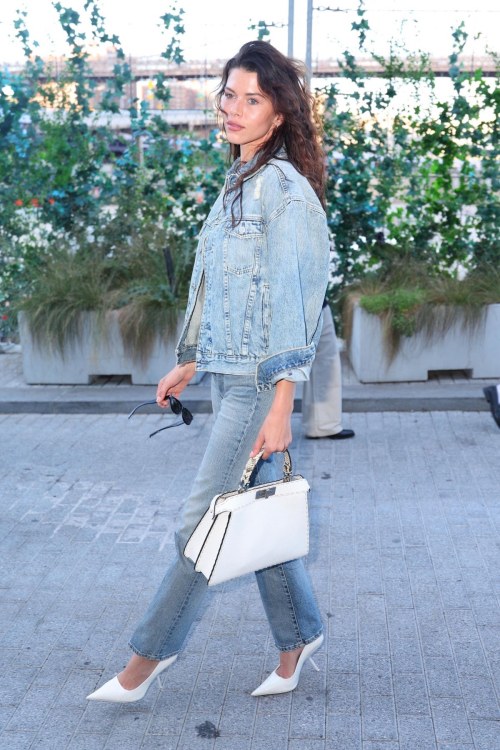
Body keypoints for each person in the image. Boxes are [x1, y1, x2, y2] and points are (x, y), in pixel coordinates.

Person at [86, 40, 329, 704]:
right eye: (229, 93)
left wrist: (281, 406)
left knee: (202, 523)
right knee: (250, 519)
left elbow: (297, 302)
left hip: (258, 386)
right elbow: (218, 286)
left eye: (252, 99)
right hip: (228, 374)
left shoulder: (283, 190)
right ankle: (300, 635)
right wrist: (191, 358)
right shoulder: (237, 182)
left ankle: (144, 661)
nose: (234, 108)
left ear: (278, 114)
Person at [302, 298, 355, 440]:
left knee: (323, 363)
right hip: (309, 305)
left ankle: (320, 425)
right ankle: (323, 425)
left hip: (315, 304)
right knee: (325, 363)